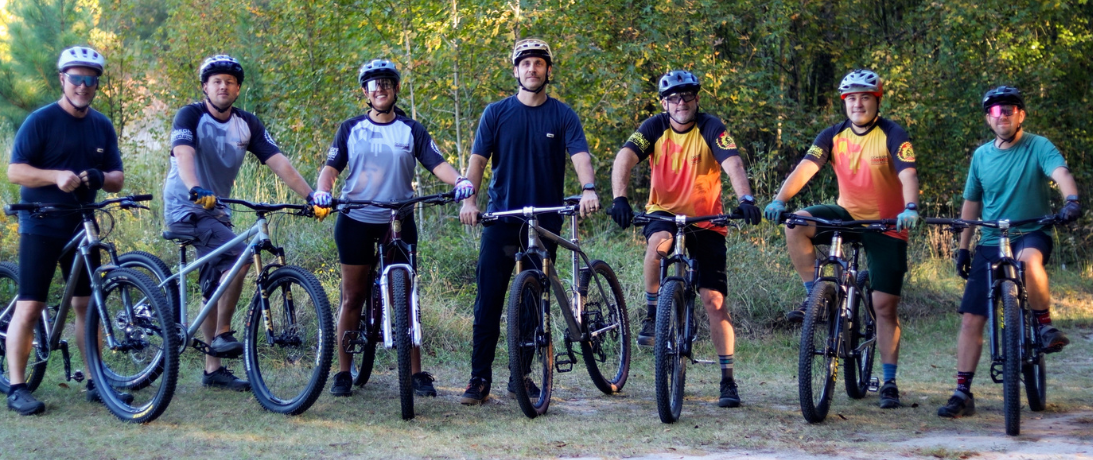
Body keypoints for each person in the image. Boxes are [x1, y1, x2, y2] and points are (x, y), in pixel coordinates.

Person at [311, 59, 475, 398]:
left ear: (396, 88)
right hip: (355, 219)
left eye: (386, 82)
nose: (380, 88)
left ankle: (416, 372)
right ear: (365, 93)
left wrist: (460, 179)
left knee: (405, 295)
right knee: (353, 296)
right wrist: (324, 191)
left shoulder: (411, 130)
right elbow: (330, 168)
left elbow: (436, 163)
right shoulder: (350, 128)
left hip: (398, 220)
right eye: (373, 84)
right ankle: (343, 371)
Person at [456, 38, 602, 405]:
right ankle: (479, 379)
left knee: (532, 304)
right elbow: (477, 162)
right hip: (503, 219)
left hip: (544, 222)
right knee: (488, 301)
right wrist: (469, 199)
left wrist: (588, 188)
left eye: (538, 63)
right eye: (525, 64)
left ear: (548, 70)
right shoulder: (496, 113)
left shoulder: (562, 115)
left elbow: (580, 156)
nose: (532, 69)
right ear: (516, 70)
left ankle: (520, 376)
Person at [765, 69, 921, 409]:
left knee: (884, 306)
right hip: (847, 214)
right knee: (796, 224)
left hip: (887, 223)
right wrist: (780, 199)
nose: (858, 104)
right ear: (844, 103)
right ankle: (816, 296)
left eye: (865, 97)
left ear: (876, 100)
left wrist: (910, 207)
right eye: (851, 98)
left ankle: (890, 380)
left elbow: (908, 172)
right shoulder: (833, 135)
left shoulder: (893, 134)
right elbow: (806, 168)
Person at [608, 70, 762, 407]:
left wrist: (746, 198)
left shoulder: (711, 127)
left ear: (696, 99)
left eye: (687, 96)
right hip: (664, 211)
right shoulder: (654, 127)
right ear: (664, 103)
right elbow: (624, 157)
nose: (681, 102)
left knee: (713, 301)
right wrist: (619, 198)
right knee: (658, 244)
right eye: (674, 97)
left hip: (706, 219)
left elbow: (732, 162)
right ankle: (652, 314)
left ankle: (727, 380)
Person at [162, 54, 316, 392]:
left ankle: (212, 369)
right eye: (216, 80)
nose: (223, 85)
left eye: (229, 81)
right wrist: (194, 188)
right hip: (185, 206)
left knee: (220, 277)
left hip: (217, 211)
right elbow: (184, 153)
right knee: (242, 258)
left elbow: (279, 162)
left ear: (237, 89)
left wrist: (311, 195)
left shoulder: (247, 124)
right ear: (205, 87)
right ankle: (221, 333)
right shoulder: (190, 115)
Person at [937, 86, 1080, 418]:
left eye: (1010, 109)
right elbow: (971, 203)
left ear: (1021, 115)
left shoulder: (1038, 145)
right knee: (972, 318)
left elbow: (1061, 173)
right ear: (989, 118)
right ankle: (962, 392)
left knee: (1029, 262)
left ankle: (1043, 325)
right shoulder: (981, 156)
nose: (1003, 115)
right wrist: (963, 248)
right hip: (990, 241)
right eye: (996, 111)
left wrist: (1071, 200)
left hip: (1031, 231)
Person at [3, 46, 125, 415]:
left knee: (87, 305)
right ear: (63, 79)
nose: (83, 86)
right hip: (42, 223)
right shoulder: (40, 121)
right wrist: (55, 176)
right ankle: (17, 387)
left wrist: (100, 177)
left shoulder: (102, 125)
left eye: (90, 80)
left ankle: (94, 380)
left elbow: (117, 178)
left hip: (83, 223)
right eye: (76, 78)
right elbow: (15, 171)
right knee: (31, 304)